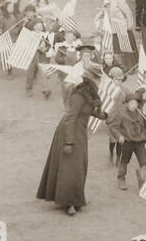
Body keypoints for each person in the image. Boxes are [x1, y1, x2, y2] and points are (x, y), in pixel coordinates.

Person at [37, 85, 101, 215]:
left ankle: (75, 199)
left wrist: (102, 115)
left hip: (79, 132)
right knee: (72, 167)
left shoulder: (88, 96)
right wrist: (69, 142)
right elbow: (71, 117)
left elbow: (86, 111)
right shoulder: (78, 96)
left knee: (80, 165)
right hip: (70, 131)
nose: (99, 80)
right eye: (97, 77)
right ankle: (70, 203)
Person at [110, 89, 146, 189]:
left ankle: (143, 182)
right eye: (131, 103)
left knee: (144, 162)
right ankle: (121, 179)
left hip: (139, 143)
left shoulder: (141, 114)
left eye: (135, 103)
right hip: (127, 142)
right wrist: (119, 136)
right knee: (124, 160)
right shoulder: (121, 114)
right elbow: (113, 127)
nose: (133, 105)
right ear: (126, 104)